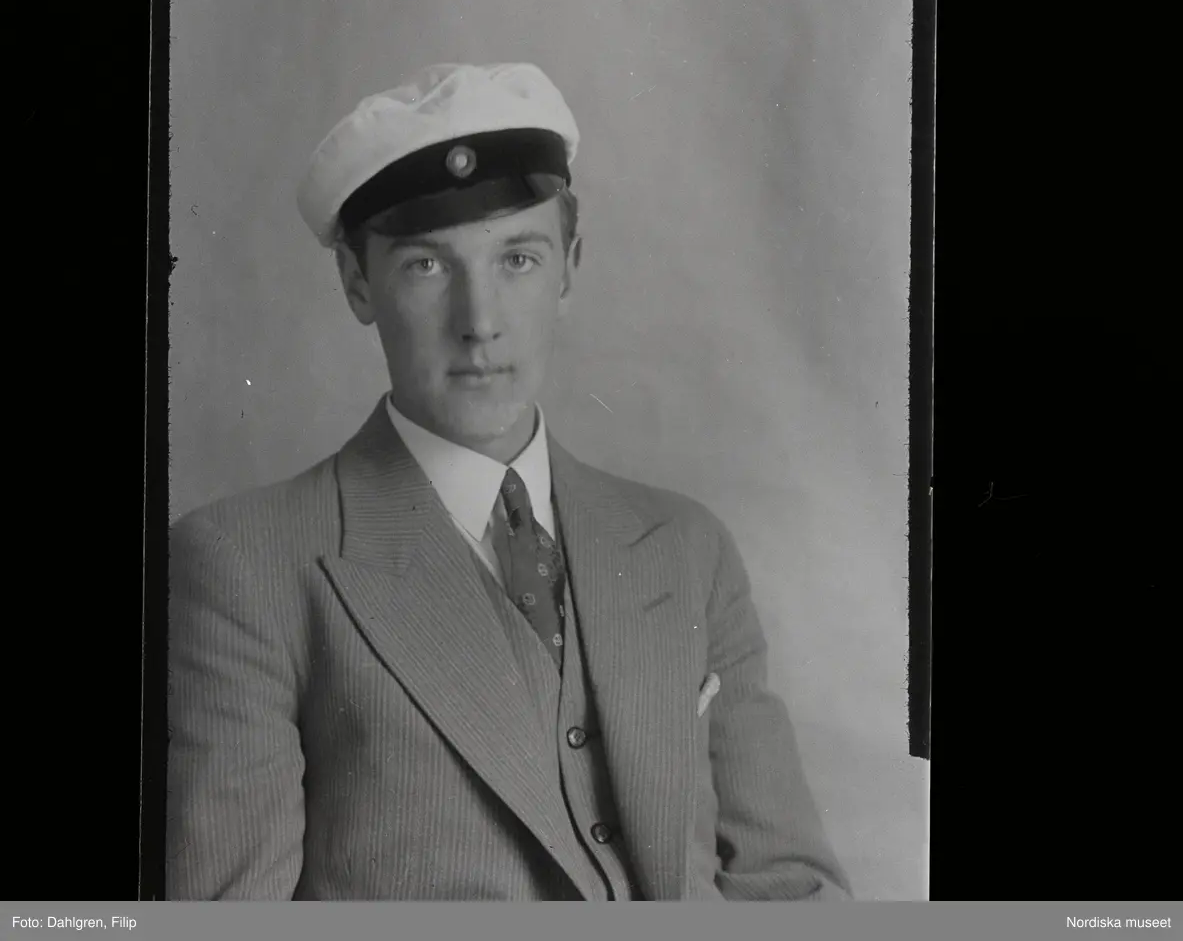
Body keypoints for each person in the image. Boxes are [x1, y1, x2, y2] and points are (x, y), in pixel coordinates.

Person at [166, 61, 852, 901]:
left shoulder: (686, 548)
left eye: (517, 259)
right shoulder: (245, 566)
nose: (480, 322)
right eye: (426, 266)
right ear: (356, 283)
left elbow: (793, 888)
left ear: (570, 264)